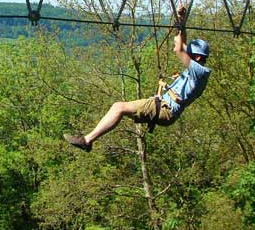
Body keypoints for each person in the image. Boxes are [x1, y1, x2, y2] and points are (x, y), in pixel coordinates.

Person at [63, 32, 211, 152]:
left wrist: (179, 37)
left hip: (166, 109)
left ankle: (87, 140)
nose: (186, 56)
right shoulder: (197, 70)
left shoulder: (200, 72)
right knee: (118, 107)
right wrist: (180, 21)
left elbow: (178, 48)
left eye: (190, 54)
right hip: (165, 108)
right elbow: (180, 44)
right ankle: (88, 140)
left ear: (197, 57)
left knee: (118, 107)